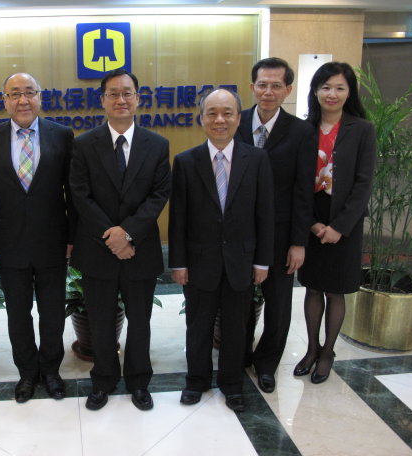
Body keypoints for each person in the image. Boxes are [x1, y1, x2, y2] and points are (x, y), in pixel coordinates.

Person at [69, 68, 170, 411]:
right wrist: (111, 234)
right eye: (113, 93)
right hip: (98, 249)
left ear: (138, 98)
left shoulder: (157, 144)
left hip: (139, 249)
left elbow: (158, 195)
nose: (121, 99)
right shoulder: (83, 144)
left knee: (141, 321)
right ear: (102, 100)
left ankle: (139, 381)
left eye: (127, 92)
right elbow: (79, 195)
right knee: (99, 320)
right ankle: (103, 380)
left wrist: (127, 233)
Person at [0, 72, 75, 403]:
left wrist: (73, 236)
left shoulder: (62, 136)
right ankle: (27, 374)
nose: (23, 100)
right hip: (8, 245)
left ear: (40, 97)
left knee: (52, 312)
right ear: (4, 101)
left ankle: (52, 371)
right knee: (17, 314)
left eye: (29, 92)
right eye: (14, 94)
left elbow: (73, 193)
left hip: (53, 243)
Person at [169, 88, 274, 412]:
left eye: (227, 113)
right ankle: (196, 381)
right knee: (198, 327)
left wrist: (263, 262)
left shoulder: (256, 159)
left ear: (238, 118)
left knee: (236, 328)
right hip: (200, 262)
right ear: (201, 119)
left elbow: (265, 214)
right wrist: (178, 263)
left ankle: (232, 384)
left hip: (241, 261)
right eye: (212, 113)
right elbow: (178, 219)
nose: (219, 119)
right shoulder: (186, 162)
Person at [234, 57, 316, 393]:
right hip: (239, 232)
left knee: (279, 304)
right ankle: (238, 358)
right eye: (262, 84)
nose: (268, 92)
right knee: (238, 299)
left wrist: (299, 242)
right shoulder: (234, 124)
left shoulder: (301, 132)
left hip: (282, 234)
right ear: (251, 87)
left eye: (276, 85)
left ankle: (267, 363)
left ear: (288, 90)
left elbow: (302, 192)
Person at [296, 62, 376, 384]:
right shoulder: (303, 128)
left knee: (336, 291)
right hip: (311, 217)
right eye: (326, 87)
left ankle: (328, 352)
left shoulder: (362, 129)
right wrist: (312, 224)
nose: (332, 94)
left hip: (346, 222)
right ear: (315, 91)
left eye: (339, 88)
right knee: (312, 287)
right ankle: (311, 349)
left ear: (349, 92)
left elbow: (363, 183)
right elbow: (297, 182)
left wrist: (339, 227)